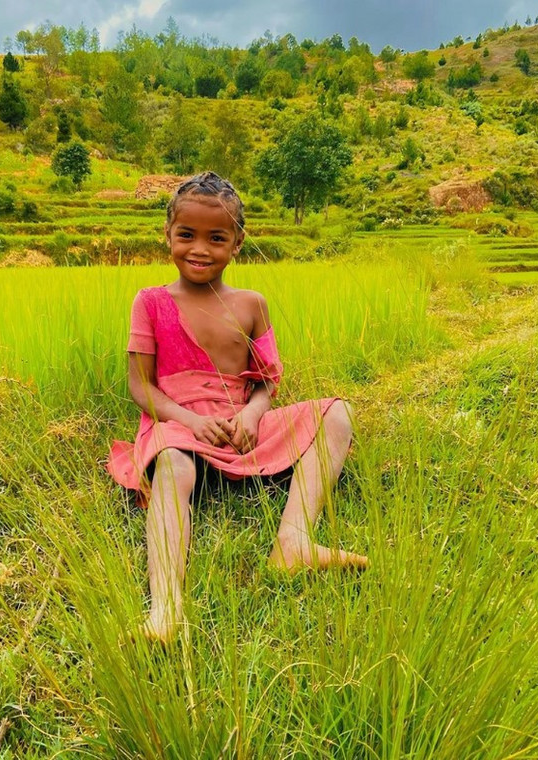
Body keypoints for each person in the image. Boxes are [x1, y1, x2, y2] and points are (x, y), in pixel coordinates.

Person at [107, 172, 368, 642]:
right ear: (167, 233)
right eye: (186, 235)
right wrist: (190, 420)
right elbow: (142, 387)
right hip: (179, 424)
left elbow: (266, 382)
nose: (199, 249)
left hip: (240, 424)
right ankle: (166, 609)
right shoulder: (149, 302)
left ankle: (294, 539)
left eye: (216, 237)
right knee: (172, 467)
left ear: (238, 242)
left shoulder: (251, 304)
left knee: (337, 413)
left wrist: (251, 414)